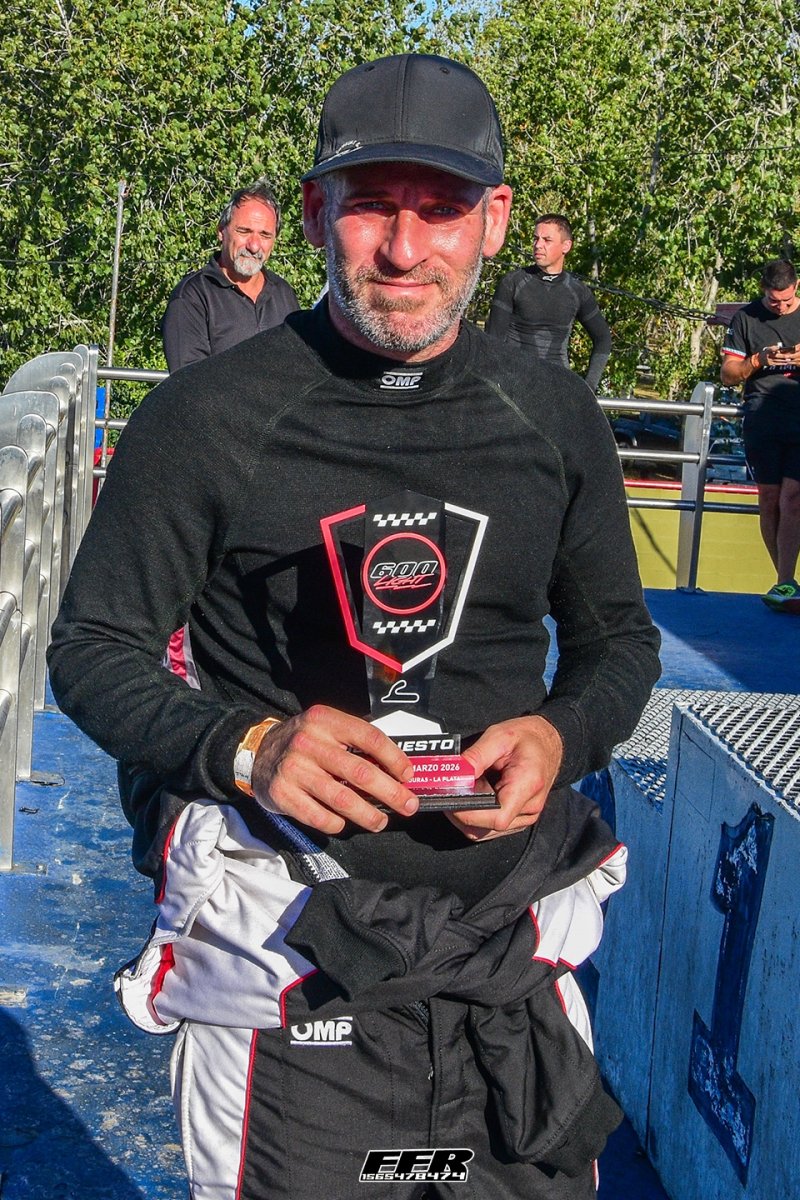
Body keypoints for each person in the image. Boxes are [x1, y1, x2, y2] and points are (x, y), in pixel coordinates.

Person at [48, 54, 660, 1200]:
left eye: (440, 209)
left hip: (504, 954)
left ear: (494, 220)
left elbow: (617, 643)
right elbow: (91, 649)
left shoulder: (554, 416)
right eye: (372, 203)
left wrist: (560, 735)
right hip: (292, 968)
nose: (403, 248)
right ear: (315, 209)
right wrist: (249, 748)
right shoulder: (206, 416)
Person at [721, 258, 800, 613]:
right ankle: (786, 581)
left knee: (793, 498)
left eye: (786, 301)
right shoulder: (745, 318)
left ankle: (785, 581)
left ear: (796, 287)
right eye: (773, 301)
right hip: (762, 417)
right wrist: (758, 361)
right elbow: (728, 374)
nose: (780, 307)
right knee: (769, 498)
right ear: (763, 291)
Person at [160, 178, 300, 371]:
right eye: (244, 231)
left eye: (265, 235)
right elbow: (188, 383)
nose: (254, 246)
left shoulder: (283, 294)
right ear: (221, 231)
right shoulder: (192, 297)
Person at [485, 214, 612, 393]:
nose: (538, 245)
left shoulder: (577, 291)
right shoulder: (513, 282)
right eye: (536, 238)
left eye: (547, 240)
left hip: (557, 390)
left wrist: (588, 388)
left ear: (566, 246)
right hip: (514, 387)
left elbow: (603, 338)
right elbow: (492, 340)